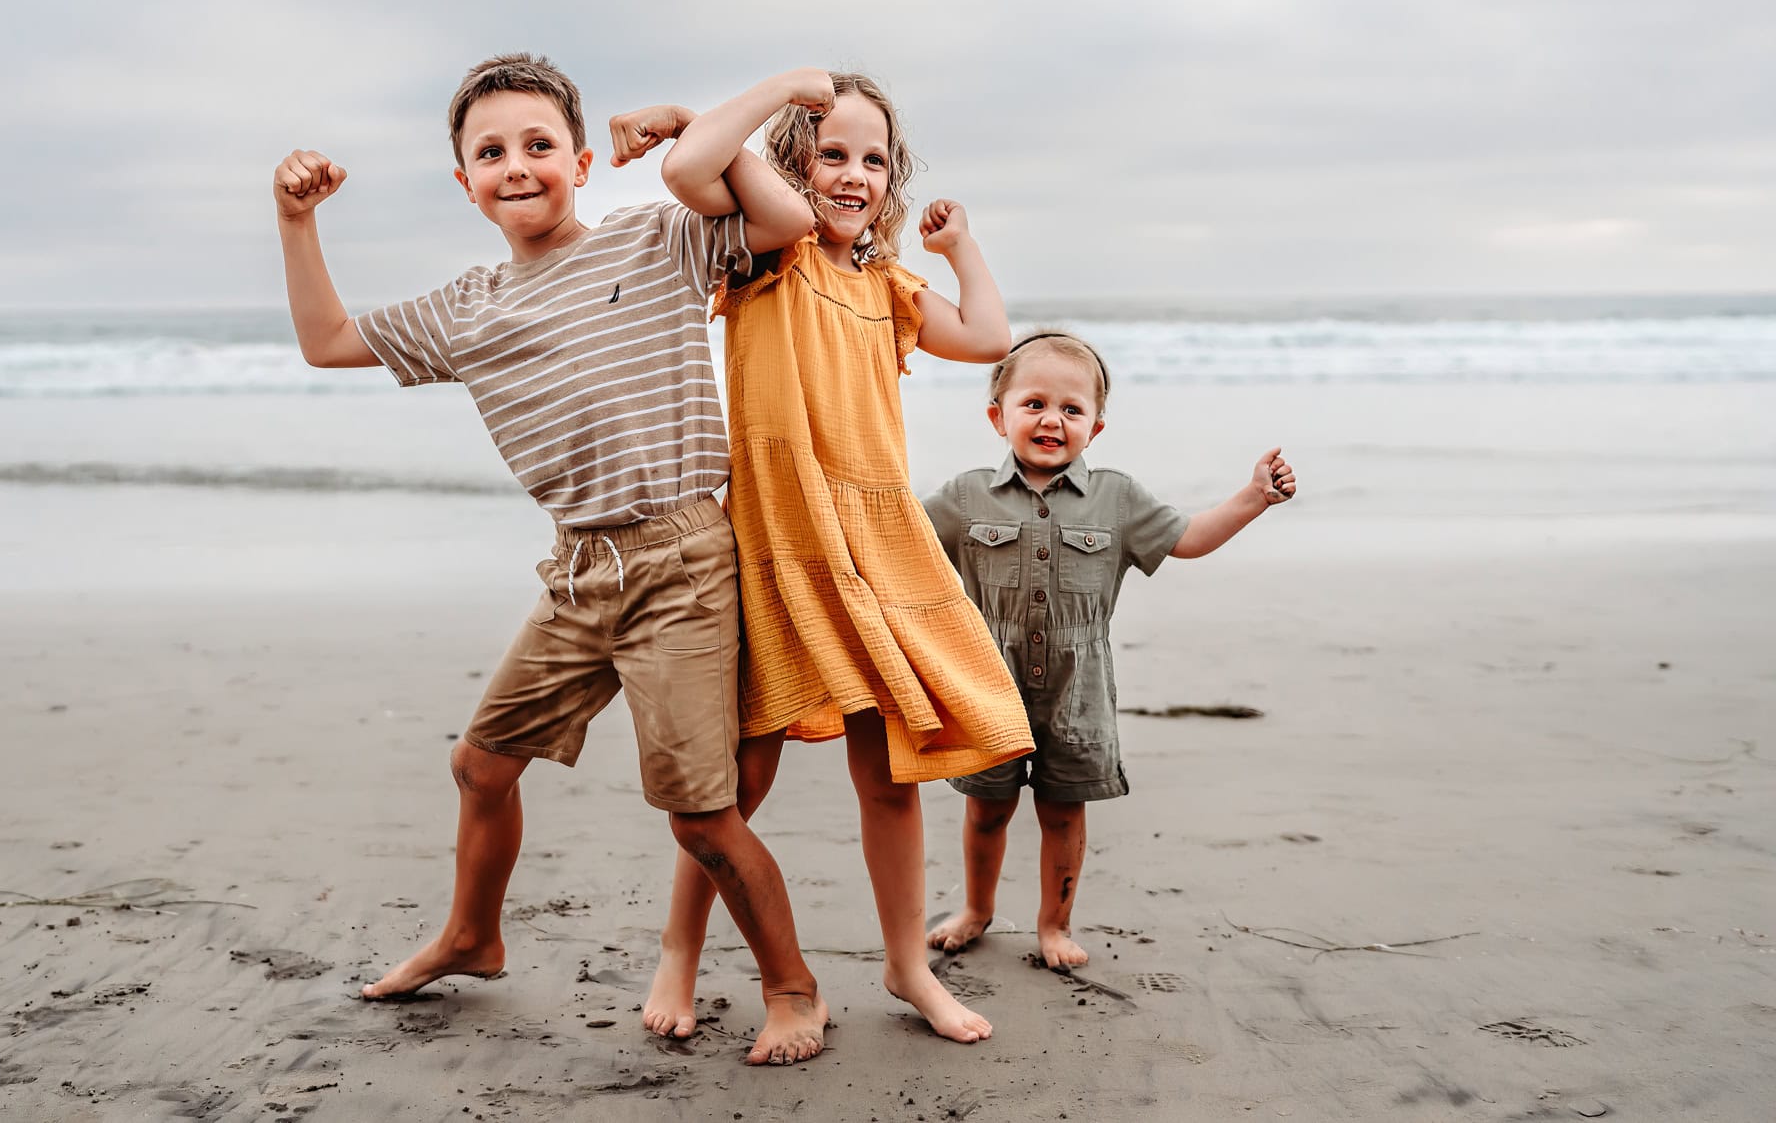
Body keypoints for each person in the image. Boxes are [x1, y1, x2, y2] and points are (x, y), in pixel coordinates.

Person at [270, 52, 838, 1065]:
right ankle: (471, 933)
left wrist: (714, 117)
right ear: (464, 182)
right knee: (480, 763)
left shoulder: (656, 237)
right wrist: (295, 219)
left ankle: (791, 987)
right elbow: (325, 340)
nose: (516, 164)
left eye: (537, 144)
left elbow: (787, 221)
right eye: (490, 152)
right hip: (576, 571)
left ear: (578, 160)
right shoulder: (466, 307)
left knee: (701, 816)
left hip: (680, 559)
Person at [615, 70, 1034, 1045]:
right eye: (831, 153)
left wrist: (957, 244)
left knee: (889, 770)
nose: (854, 175)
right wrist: (744, 100)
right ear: (791, 168)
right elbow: (692, 167)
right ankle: (678, 947)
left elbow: (988, 335)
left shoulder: (886, 288)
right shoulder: (773, 252)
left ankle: (904, 962)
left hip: (873, 545)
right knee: (738, 777)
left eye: (873, 159)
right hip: (781, 538)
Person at [922, 329, 1298, 970]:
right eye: (1034, 403)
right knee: (986, 809)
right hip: (988, 682)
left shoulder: (1117, 498)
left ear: (1095, 428)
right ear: (998, 417)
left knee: (1063, 813)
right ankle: (977, 910)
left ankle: (1053, 925)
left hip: (1079, 688)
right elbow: (899, 543)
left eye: (1072, 409)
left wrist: (1254, 496)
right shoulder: (964, 497)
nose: (1052, 419)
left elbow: (1191, 538)